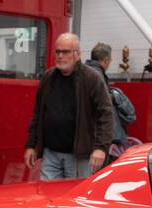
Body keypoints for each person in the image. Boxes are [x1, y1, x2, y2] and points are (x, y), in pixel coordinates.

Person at [24, 33, 114, 180]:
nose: (60, 56)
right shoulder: (48, 78)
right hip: (50, 154)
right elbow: (38, 113)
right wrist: (30, 145)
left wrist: (101, 148)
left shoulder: (91, 79)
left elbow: (106, 115)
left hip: (79, 156)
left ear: (77, 54)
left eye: (65, 52)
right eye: (57, 51)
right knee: (48, 198)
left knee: (74, 199)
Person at [87, 42, 136, 162]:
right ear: (106, 60)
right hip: (101, 138)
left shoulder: (85, 71)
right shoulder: (97, 75)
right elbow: (103, 107)